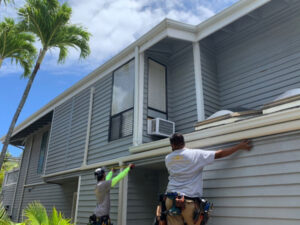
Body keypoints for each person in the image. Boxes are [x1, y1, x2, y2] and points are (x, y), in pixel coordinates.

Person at [165, 133, 252, 225]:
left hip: (170, 200)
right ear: (183, 142)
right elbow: (219, 154)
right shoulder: (195, 154)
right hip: (188, 202)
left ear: (172, 145)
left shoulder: (168, 158)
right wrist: (239, 146)